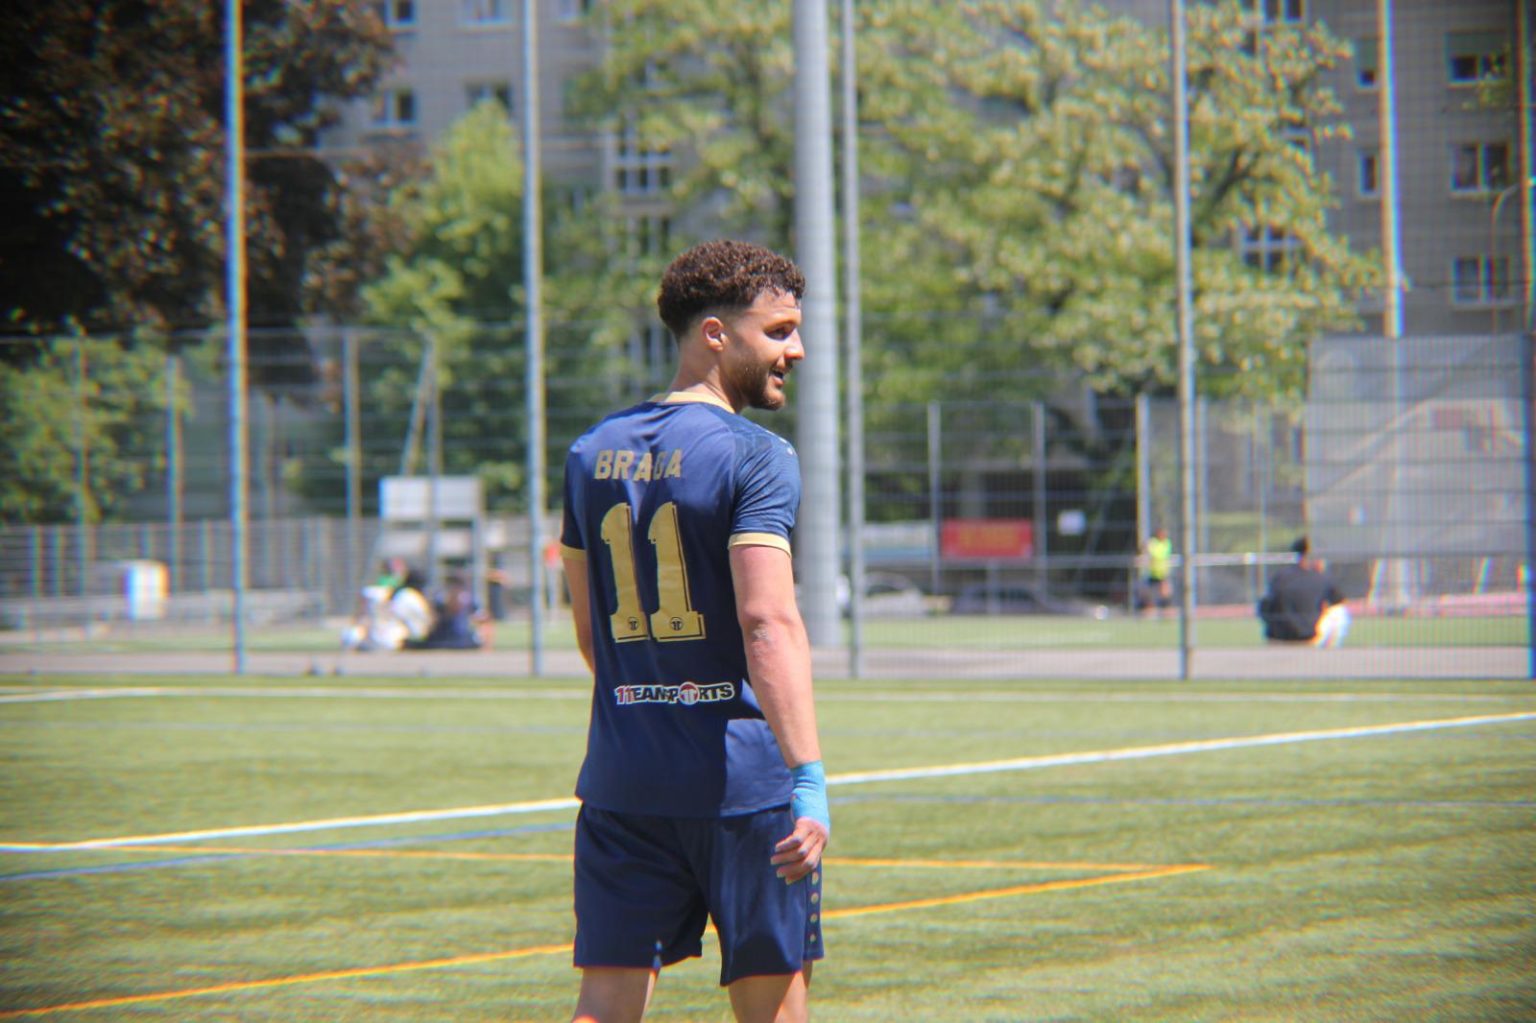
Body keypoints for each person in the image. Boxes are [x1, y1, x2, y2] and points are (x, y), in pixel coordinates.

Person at [558, 239, 829, 1023]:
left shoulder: (589, 453)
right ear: (715, 333)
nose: (795, 350)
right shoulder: (757, 456)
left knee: (603, 1005)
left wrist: (651, 704)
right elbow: (766, 620)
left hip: (623, 780)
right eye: (778, 331)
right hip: (742, 787)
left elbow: (591, 633)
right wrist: (807, 776)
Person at [1258, 537, 1350, 648]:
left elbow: (1265, 607)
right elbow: (1341, 603)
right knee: (1339, 611)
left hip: (1276, 639)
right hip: (1308, 640)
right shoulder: (1322, 579)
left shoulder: (1279, 577)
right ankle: (1330, 652)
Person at [1137, 527, 1173, 617]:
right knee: (1148, 594)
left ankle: (1166, 611)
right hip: (1153, 573)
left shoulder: (1166, 543)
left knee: (1165, 593)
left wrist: (1149, 548)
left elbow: (1159, 554)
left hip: (1163, 573)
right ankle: (1149, 611)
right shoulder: (1153, 542)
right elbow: (1144, 548)